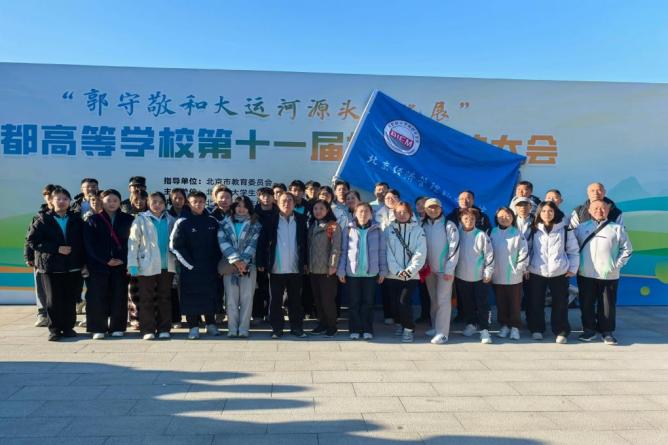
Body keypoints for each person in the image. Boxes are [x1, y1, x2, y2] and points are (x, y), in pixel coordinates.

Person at [27, 186, 85, 341]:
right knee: (53, 300)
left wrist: (83, 263)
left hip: (73, 265)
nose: (62, 201)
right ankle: (54, 329)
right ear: (51, 201)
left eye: (65, 199)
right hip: (51, 267)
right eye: (58, 198)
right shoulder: (42, 219)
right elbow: (32, 241)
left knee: (70, 298)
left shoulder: (76, 219)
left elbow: (83, 242)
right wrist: (56, 249)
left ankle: (68, 328)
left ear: (69, 201)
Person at [574, 199, 633, 345]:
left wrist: (616, 266)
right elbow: (573, 249)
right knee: (586, 303)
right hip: (585, 273)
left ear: (608, 210)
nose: (599, 211)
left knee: (607, 304)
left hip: (609, 275)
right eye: (595, 208)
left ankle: (607, 331)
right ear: (589, 210)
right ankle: (588, 330)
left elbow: (627, 250)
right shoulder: (580, 228)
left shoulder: (617, 228)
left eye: (603, 208)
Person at [169, 190, 222, 339]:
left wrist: (216, 263)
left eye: (201, 202)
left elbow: (220, 244)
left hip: (210, 268)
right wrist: (189, 265)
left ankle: (210, 324)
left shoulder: (212, 221)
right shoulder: (182, 222)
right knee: (191, 298)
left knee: (210, 295)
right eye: (195, 202)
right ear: (189, 203)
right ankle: (193, 327)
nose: (198, 204)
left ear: (205, 202)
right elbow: (175, 246)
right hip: (190, 269)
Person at [256, 192, 308, 338]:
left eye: (290, 200)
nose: (287, 203)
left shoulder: (301, 219)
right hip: (276, 268)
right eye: (284, 201)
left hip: (295, 267)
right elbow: (262, 242)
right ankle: (277, 329)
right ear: (277, 203)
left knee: (295, 300)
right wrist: (260, 261)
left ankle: (297, 328)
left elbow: (305, 243)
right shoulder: (271, 220)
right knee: (275, 301)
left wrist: (305, 262)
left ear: (294, 203)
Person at [526, 201, 579, 344]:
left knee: (560, 303)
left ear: (555, 212)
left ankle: (561, 331)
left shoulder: (565, 229)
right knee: (535, 301)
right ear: (539, 213)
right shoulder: (533, 229)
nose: (547, 214)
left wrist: (572, 268)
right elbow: (527, 250)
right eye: (543, 211)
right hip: (537, 271)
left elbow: (573, 250)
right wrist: (526, 268)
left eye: (550, 211)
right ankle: (537, 329)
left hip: (559, 272)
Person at [83, 189, 134, 339]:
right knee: (97, 296)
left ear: (120, 202)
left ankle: (117, 327)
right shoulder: (93, 220)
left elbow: (134, 242)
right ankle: (98, 328)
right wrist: (106, 259)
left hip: (121, 264)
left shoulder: (129, 219)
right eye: (108, 200)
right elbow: (89, 245)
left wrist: (123, 259)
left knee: (119, 295)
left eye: (115, 200)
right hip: (98, 265)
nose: (112, 203)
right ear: (102, 202)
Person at [127, 192, 176, 340]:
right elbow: (133, 243)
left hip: (167, 265)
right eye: (154, 202)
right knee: (146, 298)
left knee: (165, 298)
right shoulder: (141, 219)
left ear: (165, 204)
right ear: (148, 203)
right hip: (146, 265)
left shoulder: (171, 220)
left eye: (160, 202)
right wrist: (133, 264)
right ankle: (147, 329)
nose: (157, 205)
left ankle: (164, 329)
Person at [338, 202, 387, 340]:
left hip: (370, 274)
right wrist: (341, 270)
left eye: (366, 211)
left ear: (371, 214)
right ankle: (354, 329)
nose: (363, 214)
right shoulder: (348, 229)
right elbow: (343, 251)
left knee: (368, 303)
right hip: (352, 273)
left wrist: (383, 270)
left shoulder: (378, 230)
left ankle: (367, 329)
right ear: (355, 213)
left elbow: (382, 252)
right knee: (354, 303)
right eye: (360, 211)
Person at [218, 196, 262, 338]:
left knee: (247, 298)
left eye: (244, 206)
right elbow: (223, 242)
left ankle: (243, 329)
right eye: (238, 206)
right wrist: (236, 261)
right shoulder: (224, 223)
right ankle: (232, 328)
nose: (241, 209)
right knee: (230, 299)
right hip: (230, 266)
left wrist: (243, 262)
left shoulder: (255, 224)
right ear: (234, 207)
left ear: (249, 208)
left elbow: (253, 244)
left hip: (248, 266)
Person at [385, 202, 427, 343]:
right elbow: (387, 252)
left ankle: (408, 329)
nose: (402, 215)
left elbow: (420, 253)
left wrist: (409, 271)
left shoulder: (418, 230)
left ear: (410, 213)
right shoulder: (389, 229)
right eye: (399, 212)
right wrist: (397, 271)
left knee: (404, 301)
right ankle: (399, 323)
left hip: (411, 276)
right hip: (392, 274)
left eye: (405, 212)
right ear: (394, 213)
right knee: (394, 302)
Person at [422, 198, 459, 345]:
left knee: (443, 300)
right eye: (430, 208)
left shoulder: (449, 225)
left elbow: (454, 248)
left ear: (441, 209)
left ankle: (443, 333)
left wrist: (449, 269)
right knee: (434, 299)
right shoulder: (423, 225)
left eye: (436, 207)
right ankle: (435, 326)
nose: (433, 210)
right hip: (429, 270)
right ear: (425, 210)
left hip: (445, 271)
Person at [455, 208, 495, 344]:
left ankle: (484, 330)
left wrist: (488, 272)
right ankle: (471, 324)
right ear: (460, 220)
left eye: (472, 219)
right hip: (461, 275)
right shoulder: (457, 234)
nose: (469, 221)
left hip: (480, 276)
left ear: (476, 220)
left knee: (482, 303)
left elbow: (489, 255)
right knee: (467, 302)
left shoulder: (481, 235)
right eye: (466, 218)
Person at [490, 207, 529, 341]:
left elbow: (524, 252)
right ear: (496, 218)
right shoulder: (493, 232)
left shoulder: (517, 233)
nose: (504, 218)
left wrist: (519, 268)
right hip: (497, 274)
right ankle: (504, 325)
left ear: (513, 218)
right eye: (501, 216)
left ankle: (515, 327)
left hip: (513, 275)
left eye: (507, 216)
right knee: (501, 302)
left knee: (514, 303)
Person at [307, 199, 342, 337]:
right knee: (318, 299)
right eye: (315, 209)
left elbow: (336, 248)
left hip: (327, 270)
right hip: (313, 269)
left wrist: (333, 265)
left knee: (327, 300)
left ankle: (332, 326)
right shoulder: (312, 225)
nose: (318, 211)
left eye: (321, 208)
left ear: (327, 210)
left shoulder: (333, 226)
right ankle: (322, 324)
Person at [24, 183, 56, 327]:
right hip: (40, 258)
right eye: (46, 195)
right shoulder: (38, 216)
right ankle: (42, 314)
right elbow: (29, 238)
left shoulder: (67, 215)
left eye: (51, 194)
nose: (49, 197)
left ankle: (60, 315)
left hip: (61, 258)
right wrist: (29, 257)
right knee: (41, 287)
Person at [252, 187, 278, 322]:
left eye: (269, 195)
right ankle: (257, 314)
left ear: (273, 197)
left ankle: (271, 313)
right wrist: (259, 259)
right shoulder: (253, 214)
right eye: (263, 195)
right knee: (258, 287)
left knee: (273, 288)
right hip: (257, 256)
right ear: (258, 197)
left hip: (276, 256)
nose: (266, 198)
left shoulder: (279, 213)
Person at [167, 188, 190, 328]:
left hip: (187, 256)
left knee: (189, 287)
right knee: (173, 288)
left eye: (181, 198)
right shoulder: (166, 214)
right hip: (171, 256)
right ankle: (176, 318)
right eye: (175, 198)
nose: (178, 201)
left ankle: (194, 316)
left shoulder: (190, 213)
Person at [414, 196, 430, 324]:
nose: (420, 206)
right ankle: (425, 314)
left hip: (432, 261)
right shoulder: (413, 220)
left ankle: (434, 316)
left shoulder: (434, 221)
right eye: (418, 204)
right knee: (422, 290)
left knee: (432, 291)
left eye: (423, 204)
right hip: (418, 261)